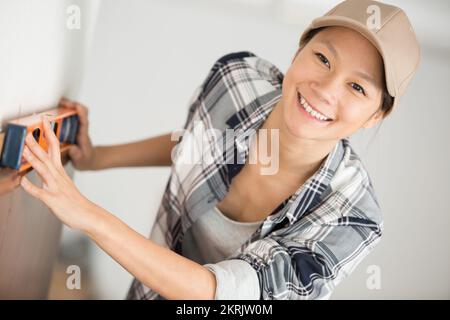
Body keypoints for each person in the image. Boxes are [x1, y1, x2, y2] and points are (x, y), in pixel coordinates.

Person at [19, 0, 420, 299]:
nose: (325, 89)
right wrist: (97, 158)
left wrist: (85, 214)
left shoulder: (353, 218)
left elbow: (221, 295)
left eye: (357, 87)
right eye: (322, 58)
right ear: (298, 53)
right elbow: (197, 140)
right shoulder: (238, 80)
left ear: (374, 116)